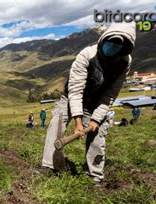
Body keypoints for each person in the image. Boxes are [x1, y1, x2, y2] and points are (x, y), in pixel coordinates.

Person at [40, 23, 136, 185]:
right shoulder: (87, 54)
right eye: (110, 43)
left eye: (117, 45)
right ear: (103, 40)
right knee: (58, 120)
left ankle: (94, 176)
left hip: (97, 102)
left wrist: (95, 119)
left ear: (125, 47)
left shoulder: (124, 62)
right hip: (71, 97)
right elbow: (75, 91)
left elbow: (110, 94)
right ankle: (49, 166)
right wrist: (78, 121)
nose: (112, 47)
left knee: (98, 134)